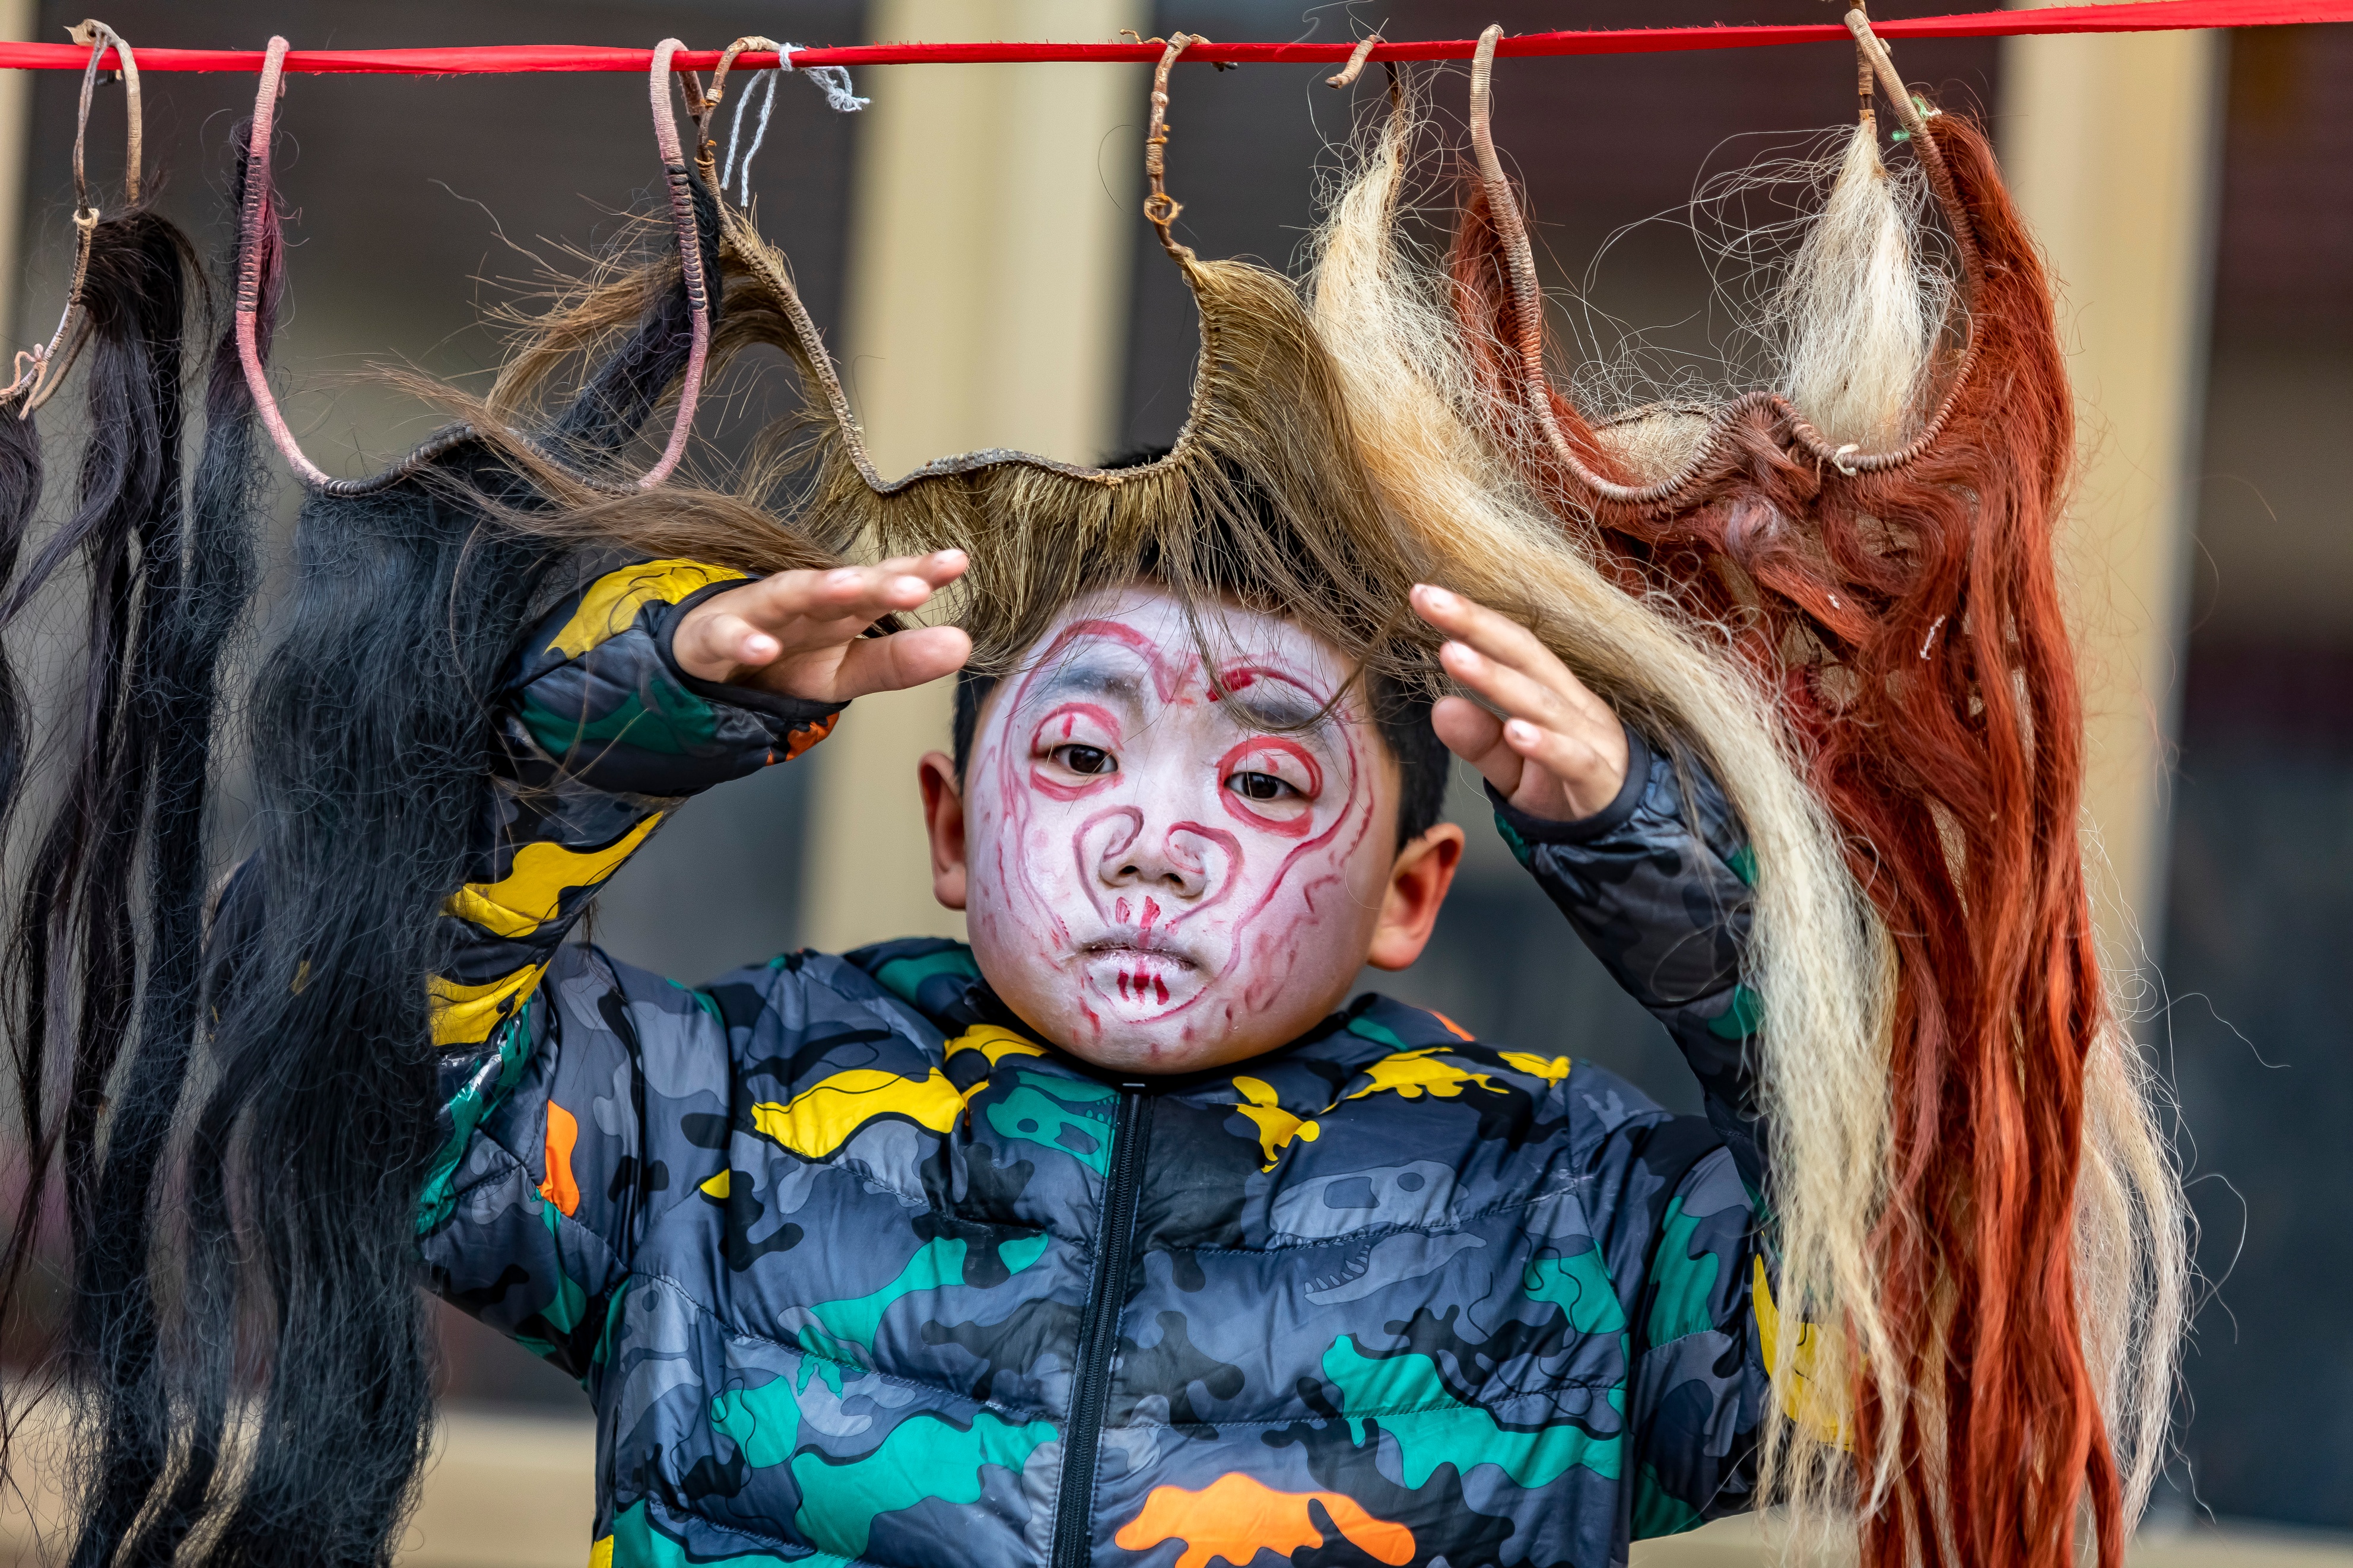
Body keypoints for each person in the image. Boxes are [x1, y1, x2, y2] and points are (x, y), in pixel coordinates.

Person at [423, 529, 1774, 1568]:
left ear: (1410, 892)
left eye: (1263, 781)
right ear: (951, 829)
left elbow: (1920, 1296)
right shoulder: (708, 1111)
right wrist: (606, 731)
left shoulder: (1573, 1214)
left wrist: (1666, 868)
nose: (1151, 845)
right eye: (1079, 755)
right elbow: (356, 1058)